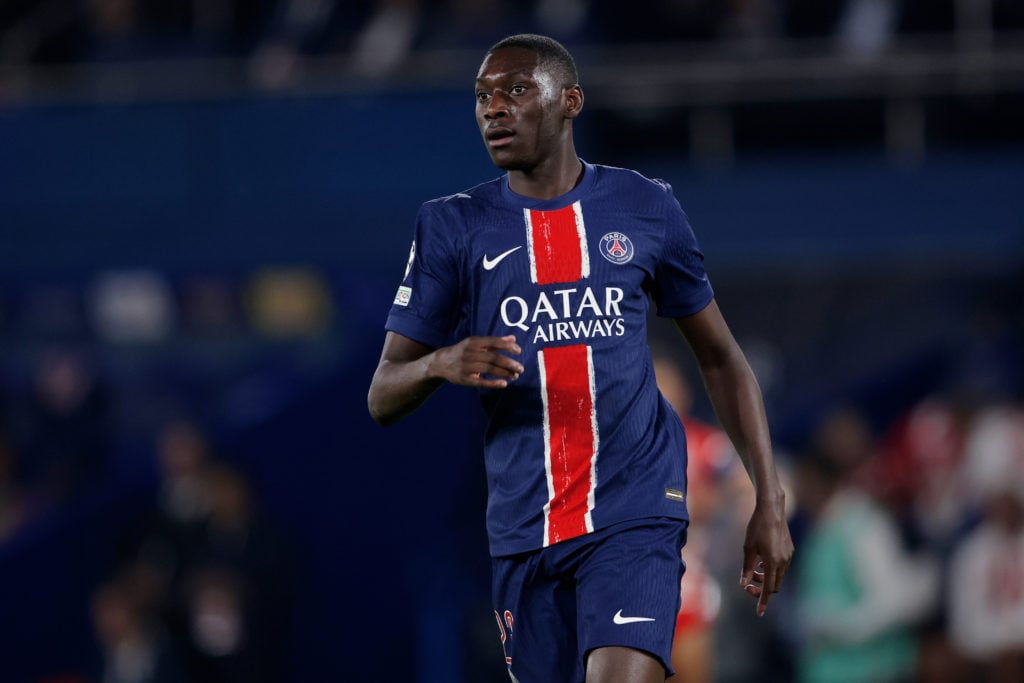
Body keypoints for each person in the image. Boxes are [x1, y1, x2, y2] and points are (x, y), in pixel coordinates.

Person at [367, 33, 793, 683]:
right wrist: (437, 363)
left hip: (636, 514)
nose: (494, 109)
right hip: (523, 529)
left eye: (515, 91)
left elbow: (721, 358)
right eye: (483, 96)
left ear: (570, 101)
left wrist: (769, 497)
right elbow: (382, 394)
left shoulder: (645, 206)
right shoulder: (452, 226)